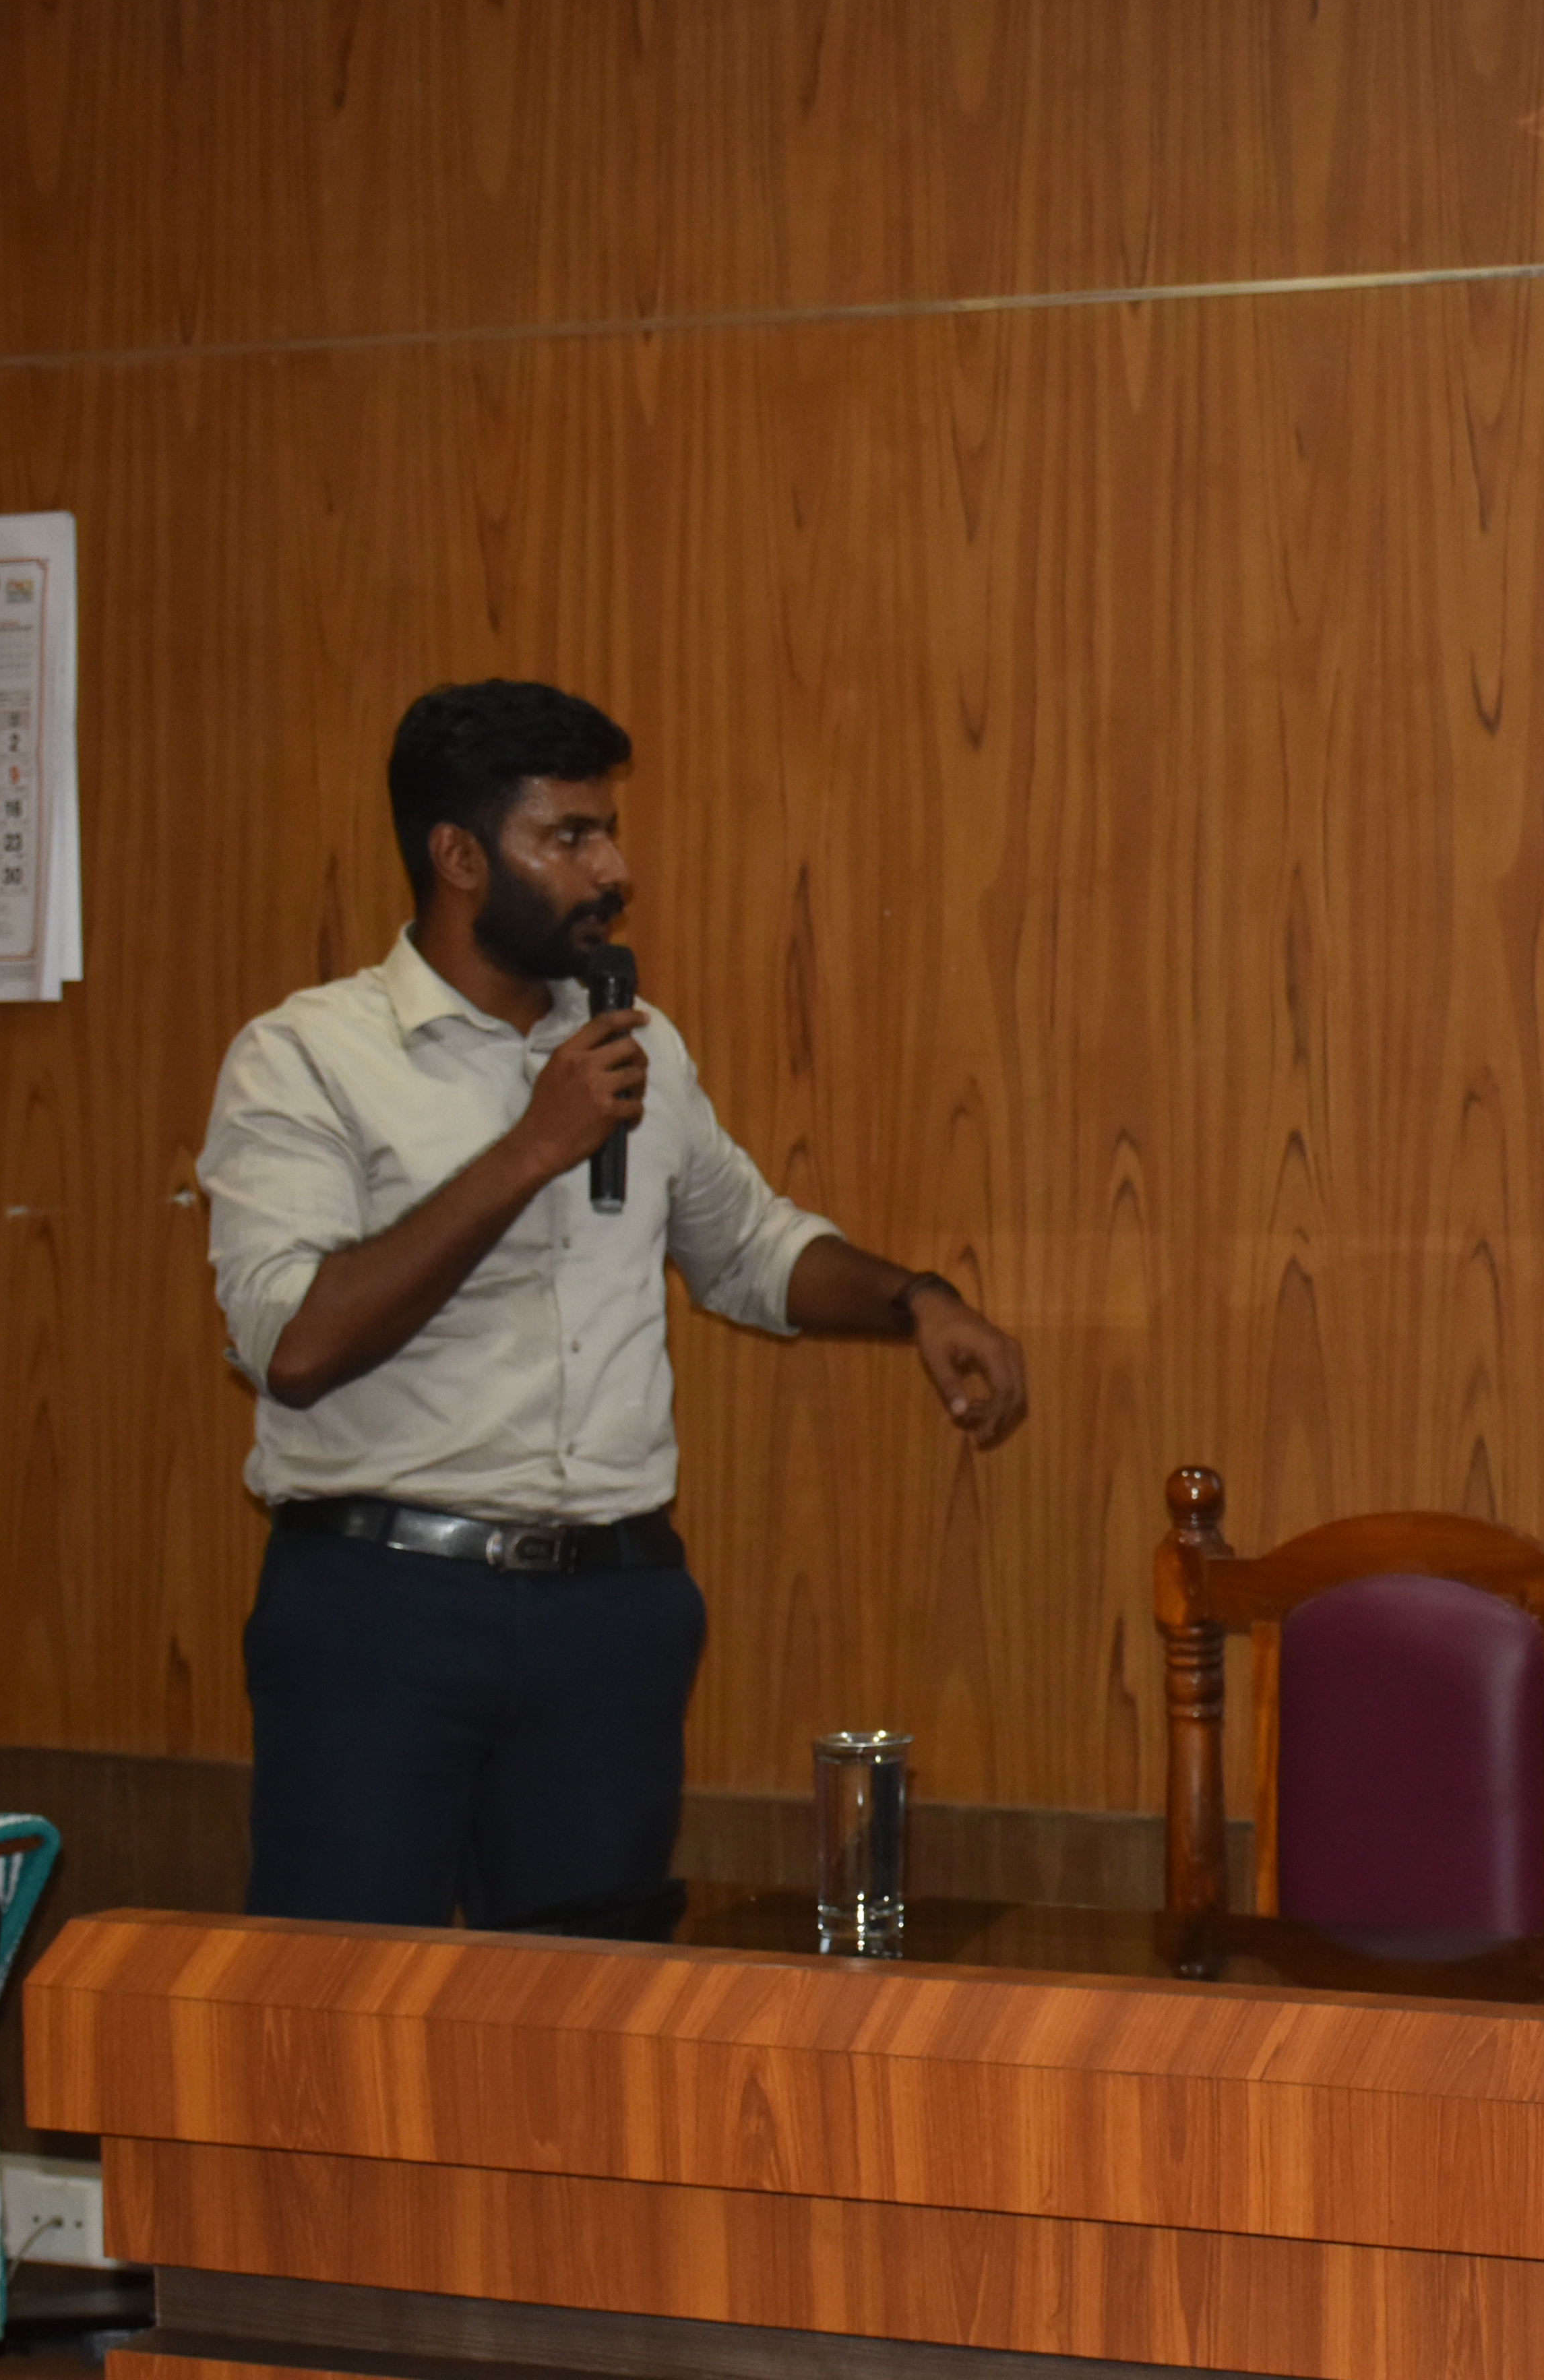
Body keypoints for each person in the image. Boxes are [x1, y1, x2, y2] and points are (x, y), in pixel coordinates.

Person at [197, 679, 1026, 1936]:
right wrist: (535, 1147)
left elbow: (747, 1247)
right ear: (460, 856)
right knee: (342, 2004)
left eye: (609, 832)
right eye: (571, 836)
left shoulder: (641, 1047)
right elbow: (295, 1345)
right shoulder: (308, 1057)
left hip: (609, 1619)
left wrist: (916, 1301)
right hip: (384, 1613)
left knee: (594, 2005)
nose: (614, 870)